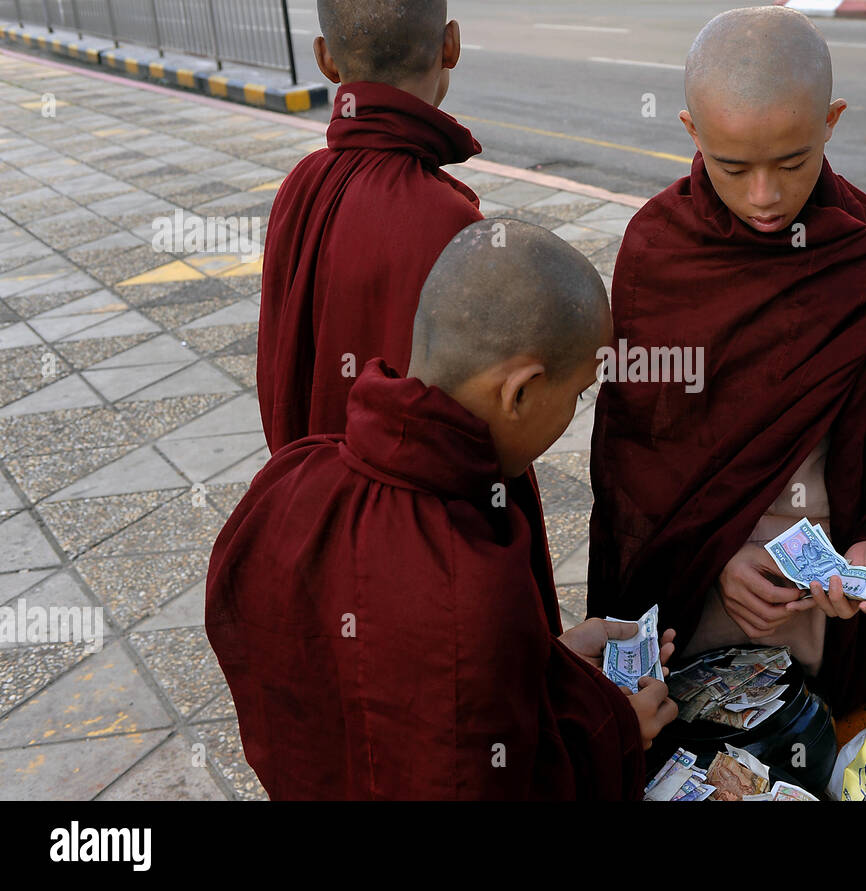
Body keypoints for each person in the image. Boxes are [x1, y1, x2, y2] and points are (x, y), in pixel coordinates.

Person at [587, 6, 866, 717]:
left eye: (791, 162)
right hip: (698, 601)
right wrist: (714, 559)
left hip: (842, 613)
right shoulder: (659, 250)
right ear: (691, 133)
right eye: (732, 166)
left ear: (831, 121)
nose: (764, 197)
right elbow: (633, 463)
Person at [208, 220, 678, 800]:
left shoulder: (287, 480)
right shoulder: (470, 578)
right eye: (578, 394)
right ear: (521, 392)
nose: (572, 415)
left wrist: (547, 658)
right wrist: (619, 731)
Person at [257, 0, 481, 453]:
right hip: (410, 523)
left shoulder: (301, 184)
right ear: (451, 45)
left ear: (325, 60)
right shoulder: (451, 220)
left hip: (307, 495)